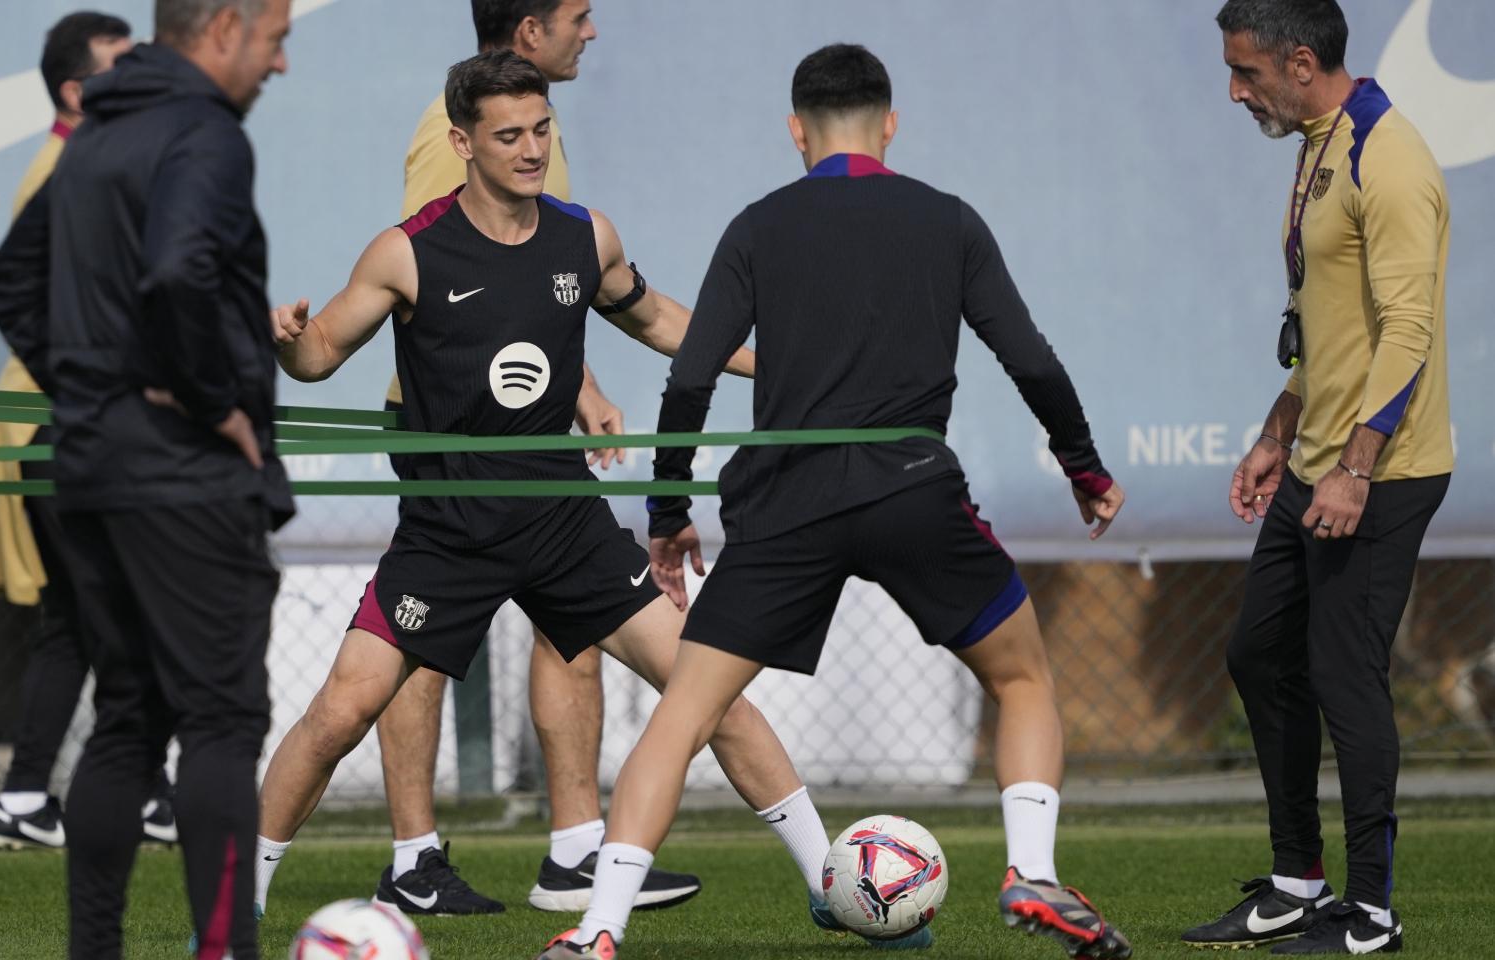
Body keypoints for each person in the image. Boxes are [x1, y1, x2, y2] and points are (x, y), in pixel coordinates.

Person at [540, 44, 1133, 960]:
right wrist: (1084, 467)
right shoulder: (949, 220)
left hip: (787, 503)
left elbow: (689, 378)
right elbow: (1032, 359)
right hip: (912, 490)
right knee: (1022, 679)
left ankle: (597, 933)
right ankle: (1032, 874)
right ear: (889, 125)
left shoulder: (757, 226)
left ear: (796, 131)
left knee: (681, 719)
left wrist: (665, 516)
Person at [251, 50, 826, 937]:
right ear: (463, 142)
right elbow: (321, 353)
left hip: (564, 520)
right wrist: (287, 343)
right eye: (508, 135)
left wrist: (772, 362)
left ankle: (835, 885)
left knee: (706, 686)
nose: (529, 150)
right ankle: (234, 905)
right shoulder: (408, 252)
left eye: (541, 131)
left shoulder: (583, 236)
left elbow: (662, 319)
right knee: (342, 709)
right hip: (449, 531)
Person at [341, 0, 680, 918]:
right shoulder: (450, 135)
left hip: (525, 420)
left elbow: (542, 292)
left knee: (568, 615)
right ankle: (414, 853)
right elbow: (457, 293)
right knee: (417, 642)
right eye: (577, 14)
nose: (593, 31)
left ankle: (575, 848)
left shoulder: (528, 126)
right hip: (449, 426)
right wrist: (578, 390)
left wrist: (582, 388)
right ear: (527, 29)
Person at [0, 0, 295, 956]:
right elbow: (176, 273)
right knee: (223, 720)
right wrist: (213, 403)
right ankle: (223, 947)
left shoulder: (95, 132)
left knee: (126, 718)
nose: (281, 65)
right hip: (184, 479)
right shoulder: (203, 132)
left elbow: (10, 280)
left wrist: (94, 387)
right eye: (276, 41)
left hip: (87, 465)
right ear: (225, 28)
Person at [1185, 1, 1451, 953]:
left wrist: (1355, 469)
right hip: (1315, 461)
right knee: (1259, 656)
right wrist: (1278, 433)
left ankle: (1371, 914)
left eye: (1245, 72)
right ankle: (1298, 881)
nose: (1233, 90)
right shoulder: (1317, 140)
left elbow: (1408, 334)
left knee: (1346, 679)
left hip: (1382, 471)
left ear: (1301, 62)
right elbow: (1337, 330)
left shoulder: (1390, 154)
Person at [0, 10, 180, 854]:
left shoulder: (86, 161)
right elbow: (43, 299)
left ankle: (28, 796)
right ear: (75, 89)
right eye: (118, 66)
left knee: (81, 617)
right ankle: (144, 794)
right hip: (57, 430)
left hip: (55, 426)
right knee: (122, 607)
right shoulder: (70, 166)